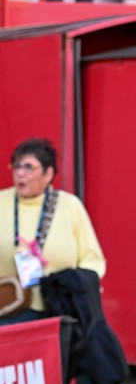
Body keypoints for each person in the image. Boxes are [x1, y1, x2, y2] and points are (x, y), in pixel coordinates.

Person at [0, 137, 105, 323]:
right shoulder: (2, 201)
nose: (20, 173)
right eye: (16, 166)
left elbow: (93, 259)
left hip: (60, 307)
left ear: (48, 174)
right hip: (11, 308)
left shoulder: (69, 205)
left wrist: (75, 285)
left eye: (28, 167)